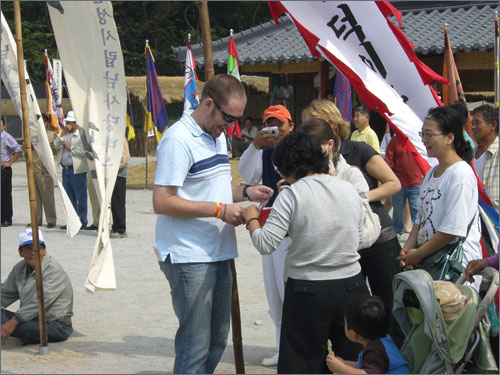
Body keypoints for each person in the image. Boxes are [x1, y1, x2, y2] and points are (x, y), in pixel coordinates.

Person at [152, 74, 273, 374]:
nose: (231, 126)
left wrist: (245, 192)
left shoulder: (217, 136)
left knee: (218, 339)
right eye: (228, 118)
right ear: (208, 104)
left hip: (219, 251)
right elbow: (162, 202)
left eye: (237, 119)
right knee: (195, 344)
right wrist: (219, 211)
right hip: (188, 255)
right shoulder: (178, 140)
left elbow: (216, 187)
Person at [244, 132, 369, 373]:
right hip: (352, 286)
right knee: (353, 360)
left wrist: (252, 219)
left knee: (302, 363)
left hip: (307, 289)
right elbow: (360, 234)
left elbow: (265, 243)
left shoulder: (292, 194)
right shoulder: (347, 189)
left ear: (289, 168)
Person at [302, 100, 403, 344]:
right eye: (307, 123)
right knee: (356, 313)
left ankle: (398, 362)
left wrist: (357, 197)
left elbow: (394, 183)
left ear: (334, 125)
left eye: (317, 121)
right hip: (344, 245)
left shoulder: (357, 150)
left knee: (388, 306)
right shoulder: (309, 158)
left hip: (377, 238)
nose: (311, 127)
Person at [398, 106, 482, 286]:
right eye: (422, 134)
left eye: (429, 135)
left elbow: (451, 231)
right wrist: (407, 250)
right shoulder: (432, 173)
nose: (424, 140)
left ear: (450, 138)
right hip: (430, 261)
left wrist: (418, 254)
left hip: (454, 268)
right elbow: (420, 220)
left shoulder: (460, 174)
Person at [238, 104, 295, 366]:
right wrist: (255, 146)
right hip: (269, 229)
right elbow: (246, 175)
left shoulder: (299, 151)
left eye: (280, 124)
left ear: (291, 126)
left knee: (288, 292)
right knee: (274, 294)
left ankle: (296, 350)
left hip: (291, 233)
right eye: (270, 124)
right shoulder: (264, 153)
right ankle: (281, 348)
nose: (275, 129)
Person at [295, 118, 381, 250]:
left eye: (314, 145)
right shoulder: (300, 176)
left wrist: (331, 183)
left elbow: (353, 222)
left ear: (330, 144)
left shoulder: (351, 175)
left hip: (348, 254)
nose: (309, 152)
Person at [1, 229, 73, 345]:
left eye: (37, 248)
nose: (33, 252)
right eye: (28, 248)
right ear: (20, 252)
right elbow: (5, 293)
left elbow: (40, 301)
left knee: (26, 329)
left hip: (55, 324)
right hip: (28, 318)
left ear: (44, 250)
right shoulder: (19, 268)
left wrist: (14, 321)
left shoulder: (53, 270)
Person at [326, 295, 410, 374]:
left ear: (354, 333)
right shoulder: (381, 342)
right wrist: (345, 363)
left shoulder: (375, 351)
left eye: (346, 323)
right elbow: (367, 365)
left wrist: (342, 368)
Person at [54, 111, 90, 230]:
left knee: (80, 197)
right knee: (69, 198)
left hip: (77, 170)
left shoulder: (81, 134)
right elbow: (56, 145)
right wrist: (62, 133)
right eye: (67, 122)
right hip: (66, 170)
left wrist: (71, 148)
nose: (68, 125)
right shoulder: (65, 133)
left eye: (70, 122)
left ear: (76, 123)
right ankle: (71, 221)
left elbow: (85, 152)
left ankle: (82, 220)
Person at [385, 136, 423, 235]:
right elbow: (388, 161)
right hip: (398, 183)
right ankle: (397, 231)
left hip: (416, 182)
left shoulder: (416, 140)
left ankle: (418, 233)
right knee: (397, 209)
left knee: (416, 208)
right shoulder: (394, 141)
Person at [31, 114, 57, 228]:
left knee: (47, 197)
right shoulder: (32, 134)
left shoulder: (50, 134)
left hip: (44, 170)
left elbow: (47, 144)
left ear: (45, 122)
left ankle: (51, 219)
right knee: (35, 197)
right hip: (33, 168)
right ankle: (36, 219)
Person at [471, 104, 498, 212]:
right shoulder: (471, 155)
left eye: (477, 123)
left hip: (495, 220)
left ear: (493, 125)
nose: (473, 127)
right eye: (472, 123)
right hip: (475, 218)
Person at [1, 118, 23, 227]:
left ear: (4, 126)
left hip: (4, 169)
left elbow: (18, 149)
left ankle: (7, 218)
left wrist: (10, 162)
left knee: (5, 194)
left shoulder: (7, 137)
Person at [110, 137, 130, 239]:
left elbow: (125, 157)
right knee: (113, 202)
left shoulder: (121, 138)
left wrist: (113, 167)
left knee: (118, 202)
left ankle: (120, 229)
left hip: (118, 174)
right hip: (110, 174)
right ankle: (115, 226)